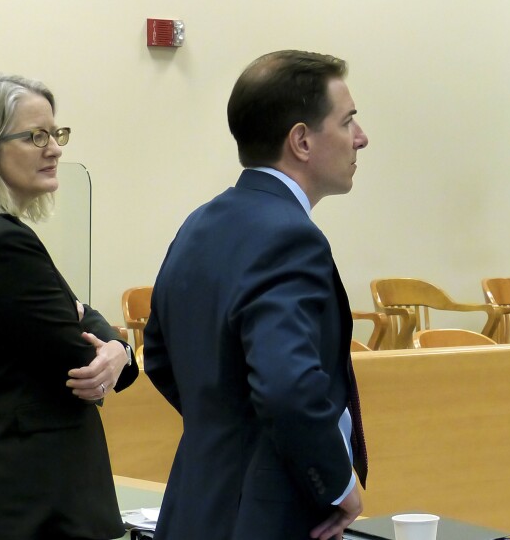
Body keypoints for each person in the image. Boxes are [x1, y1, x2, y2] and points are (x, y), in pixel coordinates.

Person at [143, 50, 369, 540]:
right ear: (302, 141)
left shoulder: (199, 224)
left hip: (194, 503)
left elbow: (159, 357)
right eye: (348, 120)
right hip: (263, 517)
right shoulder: (290, 237)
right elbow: (288, 384)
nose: (361, 137)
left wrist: (228, 431)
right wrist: (335, 479)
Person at [0, 75, 139, 538]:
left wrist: (112, 341)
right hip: (34, 497)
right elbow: (81, 354)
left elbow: (71, 313)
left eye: (56, 134)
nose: (55, 149)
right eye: (35, 136)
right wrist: (114, 343)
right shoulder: (1, 243)